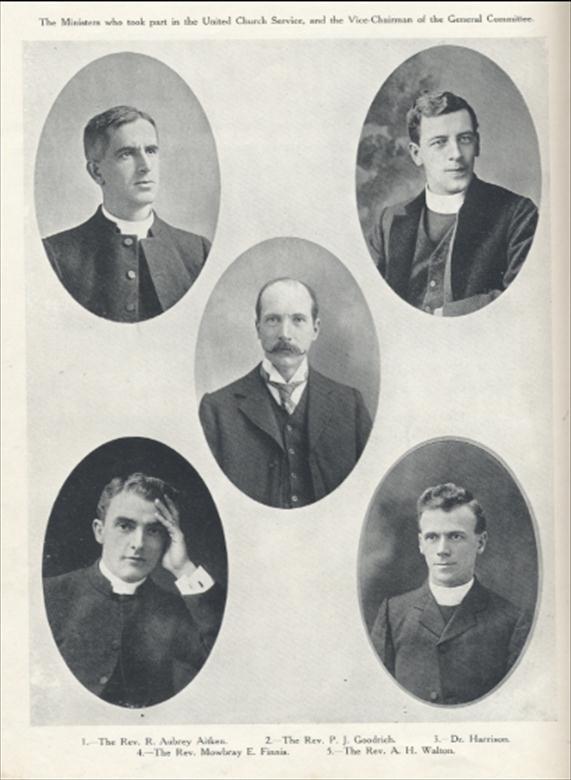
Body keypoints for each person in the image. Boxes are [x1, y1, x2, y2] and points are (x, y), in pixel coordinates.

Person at [43, 473, 224, 708]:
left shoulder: (177, 610)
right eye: (125, 526)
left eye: (153, 531)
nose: (138, 543)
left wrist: (183, 568)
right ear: (99, 531)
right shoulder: (49, 595)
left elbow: (229, 662)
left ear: (167, 540)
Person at [199, 277, 372, 508]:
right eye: (273, 320)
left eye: (298, 319)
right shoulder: (217, 410)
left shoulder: (350, 405)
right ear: (257, 328)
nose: (285, 333)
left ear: (315, 329)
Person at [368, 91, 539, 316]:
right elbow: (371, 297)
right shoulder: (388, 220)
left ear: (477, 145)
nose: (456, 154)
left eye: (465, 139)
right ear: (417, 154)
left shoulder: (518, 214)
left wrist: (446, 315)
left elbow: (526, 298)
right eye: (440, 142)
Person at [42, 106, 210, 322]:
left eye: (151, 150)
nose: (145, 166)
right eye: (127, 154)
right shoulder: (56, 255)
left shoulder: (198, 252)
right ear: (96, 172)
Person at [370, 483, 531, 705]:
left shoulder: (511, 621)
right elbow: (376, 700)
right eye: (432, 537)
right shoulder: (392, 614)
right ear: (420, 544)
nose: (442, 550)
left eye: (455, 537)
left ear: (481, 542)